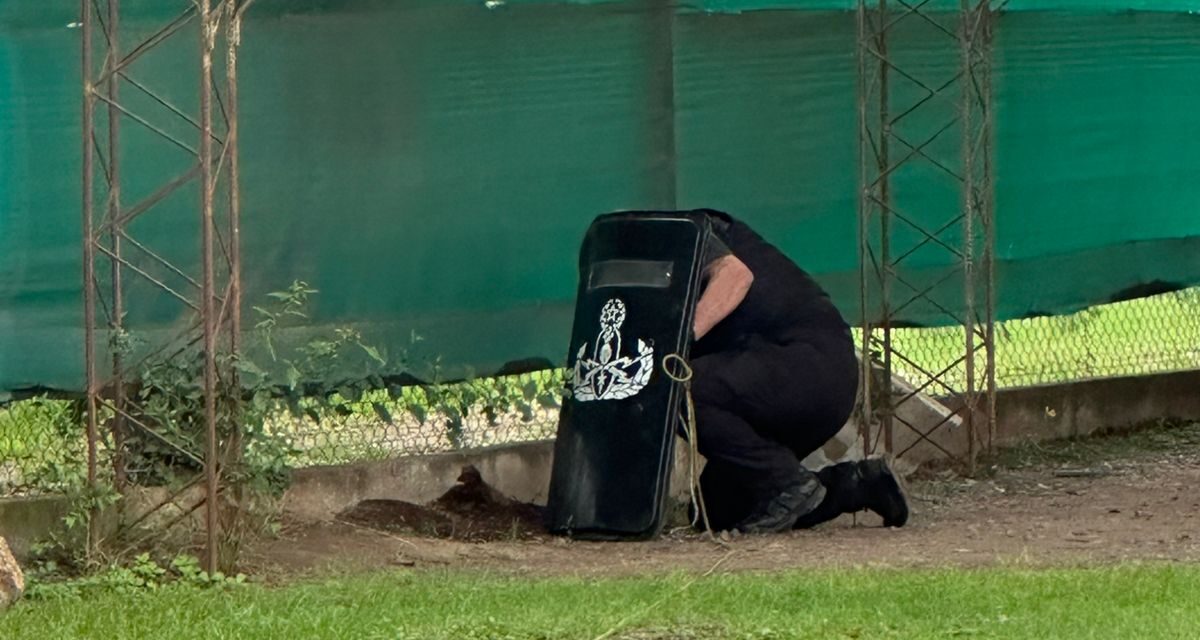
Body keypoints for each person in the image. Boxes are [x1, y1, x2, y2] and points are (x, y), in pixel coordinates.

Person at [685, 208, 908, 533]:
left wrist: (679, 341)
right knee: (718, 511)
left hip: (806, 369)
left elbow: (735, 276)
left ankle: (787, 482)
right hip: (816, 378)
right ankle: (856, 485)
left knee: (680, 386)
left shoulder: (684, 231)